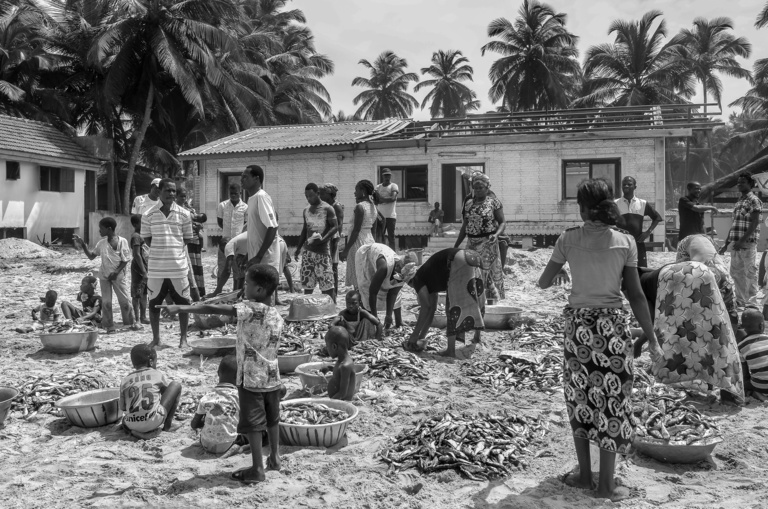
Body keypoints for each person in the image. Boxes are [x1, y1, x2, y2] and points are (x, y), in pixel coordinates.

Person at [538, 178, 660, 502]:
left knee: (579, 398)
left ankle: (583, 476)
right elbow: (634, 294)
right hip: (612, 331)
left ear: (580, 208)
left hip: (578, 329)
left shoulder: (568, 239)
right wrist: (652, 338)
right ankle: (606, 484)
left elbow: (543, 282)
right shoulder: (625, 241)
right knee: (612, 402)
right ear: (610, 204)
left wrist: (562, 271)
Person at [160, 264, 283, 484]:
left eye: (247, 283)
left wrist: (183, 308)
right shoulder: (276, 314)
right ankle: (274, 458)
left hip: (251, 379)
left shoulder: (251, 308)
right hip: (272, 377)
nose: (243, 287)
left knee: (253, 424)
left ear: (260, 290)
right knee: (272, 420)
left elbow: (219, 310)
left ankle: (257, 469)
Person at [404, 248, 485, 358]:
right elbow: (431, 310)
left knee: (452, 307)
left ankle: (450, 351)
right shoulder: (429, 278)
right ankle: (477, 337)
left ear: (410, 281)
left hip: (457, 260)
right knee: (474, 298)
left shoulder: (417, 279)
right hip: (472, 256)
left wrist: (414, 335)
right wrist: (421, 337)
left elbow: (425, 307)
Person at [142, 178, 194, 348]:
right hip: (156, 268)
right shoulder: (148, 214)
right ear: (159, 191)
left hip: (178, 268)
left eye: (174, 191)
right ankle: (156, 338)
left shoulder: (185, 214)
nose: (171, 193)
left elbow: (186, 239)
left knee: (184, 304)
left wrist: (173, 252)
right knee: (154, 303)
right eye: (168, 190)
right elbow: (147, 239)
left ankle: (183, 338)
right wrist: (161, 250)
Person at [73, 217, 138, 332]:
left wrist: (116, 272)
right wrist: (83, 245)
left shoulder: (122, 241)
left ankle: (129, 323)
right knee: (107, 303)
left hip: (118, 276)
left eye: (101, 229)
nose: (99, 231)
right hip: (104, 276)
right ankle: (109, 326)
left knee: (125, 301)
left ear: (109, 229)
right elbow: (91, 257)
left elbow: (126, 259)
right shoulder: (101, 243)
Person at [454, 173, 506, 303]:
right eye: (475, 188)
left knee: (487, 273)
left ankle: (490, 301)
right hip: (471, 244)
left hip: (487, 243)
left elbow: (503, 222)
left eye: (481, 187)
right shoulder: (468, 204)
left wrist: (496, 234)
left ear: (487, 188)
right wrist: (456, 246)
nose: (477, 190)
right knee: (471, 272)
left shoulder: (493, 202)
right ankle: (474, 300)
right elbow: (464, 227)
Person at [119, 344, 182, 438]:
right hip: (153, 421)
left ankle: (135, 431)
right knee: (176, 385)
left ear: (133, 364)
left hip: (131, 424)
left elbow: (122, 407)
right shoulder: (156, 374)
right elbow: (167, 395)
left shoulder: (125, 380)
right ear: (151, 362)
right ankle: (167, 426)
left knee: (125, 419)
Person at [675, 234, 737, 325]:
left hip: (706, 242)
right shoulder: (702, 275)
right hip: (687, 244)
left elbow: (731, 313)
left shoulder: (725, 280)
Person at [355, 243, 417, 330]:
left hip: (382, 262)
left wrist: (388, 315)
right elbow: (372, 292)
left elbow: (393, 294)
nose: (403, 279)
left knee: (395, 289)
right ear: (398, 266)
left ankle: (398, 321)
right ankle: (366, 320)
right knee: (365, 286)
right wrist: (375, 318)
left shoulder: (404, 272)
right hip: (367, 257)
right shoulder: (384, 266)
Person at [723, 173, 762, 308]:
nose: (739, 185)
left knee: (750, 272)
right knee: (736, 273)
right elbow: (735, 224)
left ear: (750, 184)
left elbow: (755, 222)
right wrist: (726, 243)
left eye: (743, 182)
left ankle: (752, 303)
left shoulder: (754, 200)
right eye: (738, 182)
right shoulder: (739, 201)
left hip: (748, 243)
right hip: (736, 243)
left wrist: (742, 240)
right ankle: (740, 300)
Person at [295, 183, 338, 301]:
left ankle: (332, 309)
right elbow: (305, 229)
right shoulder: (306, 210)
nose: (308, 199)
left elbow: (335, 227)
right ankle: (309, 309)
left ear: (318, 194)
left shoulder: (327, 208)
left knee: (327, 285)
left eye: (311, 196)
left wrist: (324, 238)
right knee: (308, 285)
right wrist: (298, 248)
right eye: (306, 196)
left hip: (322, 253)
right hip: (308, 253)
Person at [191, 355, 241, 453]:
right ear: (239, 377)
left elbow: (194, 424)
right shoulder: (239, 397)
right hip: (227, 445)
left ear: (218, 373)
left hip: (205, 444)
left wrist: (210, 421)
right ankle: (240, 448)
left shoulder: (206, 397)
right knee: (256, 434)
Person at [615, 176, 662, 268]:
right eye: (624, 184)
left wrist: (647, 232)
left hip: (637, 243)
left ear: (635, 187)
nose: (626, 186)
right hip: (620, 244)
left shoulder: (642, 203)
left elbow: (657, 217)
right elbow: (607, 221)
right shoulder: (615, 203)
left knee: (640, 270)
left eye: (629, 184)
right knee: (620, 270)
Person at [242, 165, 279, 275]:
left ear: (256, 179)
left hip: (265, 260)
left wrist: (259, 256)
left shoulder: (261, 197)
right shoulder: (252, 199)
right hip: (256, 259)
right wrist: (249, 255)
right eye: (241, 177)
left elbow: (272, 227)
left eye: (245, 177)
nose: (242, 180)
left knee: (265, 291)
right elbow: (256, 232)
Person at [340, 180, 377, 288]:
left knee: (358, 273)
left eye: (356, 190)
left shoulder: (360, 207)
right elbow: (373, 228)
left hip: (358, 242)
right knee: (367, 272)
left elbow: (356, 230)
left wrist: (346, 250)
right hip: (369, 240)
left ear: (363, 191)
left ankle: (360, 298)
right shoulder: (373, 206)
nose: (354, 193)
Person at [177, 185, 207, 297]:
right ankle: (187, 292)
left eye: (185, 196)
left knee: (196, 266)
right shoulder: (174, 210)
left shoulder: (191, 210)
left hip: (195, 240)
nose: (183, 199)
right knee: (186, 267)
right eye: (181, 196)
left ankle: (199, 291)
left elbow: (199, 221)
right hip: (184, 242)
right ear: (176, 197)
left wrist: (198, 226)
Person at [217, 183, 248, 290]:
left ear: (240, 193)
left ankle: (237, 292)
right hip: (224, 243)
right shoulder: (222, 206)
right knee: (222, 268)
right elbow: (220, 222)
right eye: (231, 193)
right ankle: (219, 290)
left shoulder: (245, 207)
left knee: (238, 270)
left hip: (239, 244)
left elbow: (246, 225)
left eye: (236, 193)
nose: (233, 195)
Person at [735, 308, 768, 401]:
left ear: (742, 327)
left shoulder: (741, 346)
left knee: (743, 382)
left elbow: (744, 374)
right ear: (762, 326)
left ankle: (757, 394)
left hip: (761, 386)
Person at [319, 183, 344, 295]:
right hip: (327, 237)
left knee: (332, 265)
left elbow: (339, 225)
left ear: (329, 194)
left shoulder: (336, 206)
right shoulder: (325, 205)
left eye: (322, 193)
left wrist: (336, 239)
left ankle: (334, 292)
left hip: (333, 238)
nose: (320, 196)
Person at [325, 325, 356, 400]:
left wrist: (330, 402)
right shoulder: (341, 361)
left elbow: (342, 393)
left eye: (327, 346)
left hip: (343, 403)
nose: (327, 349)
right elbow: (339, 374)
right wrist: (330, 369)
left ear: (334, 347)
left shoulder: (346, 366)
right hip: (337, 400)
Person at [130, 214, 150, 325]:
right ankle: (137, 319)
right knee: (136, 294)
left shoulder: (144, 235)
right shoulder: (136, 236)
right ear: (135, 224)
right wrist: (143, 271)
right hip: (139, 269)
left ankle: (143, 316)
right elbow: (136, 254)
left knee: (144, 294)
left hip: (146, 268)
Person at [375, 168, 399, 249]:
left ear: (391, 176)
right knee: (380, 235)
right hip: (380, 216)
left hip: (390, 216)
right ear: (382, 176)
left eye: (388, 175)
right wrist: (384, 199)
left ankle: (393, 255)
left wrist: (381, 199)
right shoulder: (378, 187)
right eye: (385, 175)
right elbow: (375, 199)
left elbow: (393, 198)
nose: (387, 177)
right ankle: (382, 252)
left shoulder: (393, 186)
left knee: (391, 236)